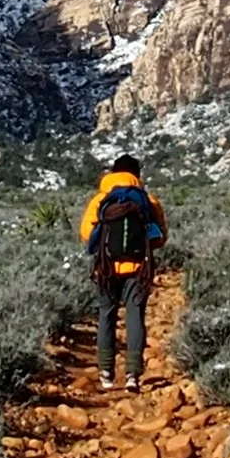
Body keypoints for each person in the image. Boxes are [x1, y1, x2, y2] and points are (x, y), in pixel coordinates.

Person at [78, 155, 167, 390]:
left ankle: (106, 372)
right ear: (136, 174)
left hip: (105, 268)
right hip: (139, 268)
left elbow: (87, 235)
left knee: (106, 316)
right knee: (135, 316)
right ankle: (132, 375)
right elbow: (160, 237)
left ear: (113, 173)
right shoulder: (148, 200)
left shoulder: (100, 200)